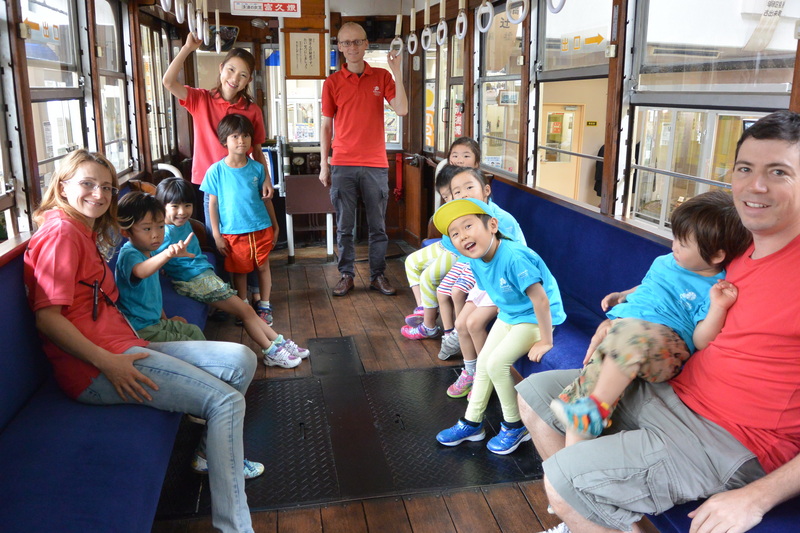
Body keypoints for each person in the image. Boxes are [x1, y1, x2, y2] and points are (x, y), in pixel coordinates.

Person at [516, 110, 800, 533]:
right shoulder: (737, 247)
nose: (756, 185)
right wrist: (624, 323)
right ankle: (590, 516)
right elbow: (674, 285)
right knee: (535, 394)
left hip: (733, 439)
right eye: (746, 168)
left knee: (563, 480)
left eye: (778, 172)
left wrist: (757, 497)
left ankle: (581, 503)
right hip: (672, 392)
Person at [23, 149, 262, 533]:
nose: (98, 195)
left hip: (126, 345)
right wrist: (108, 362)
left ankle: (207, 454)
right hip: (96, 368)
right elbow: (48, 320)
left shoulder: (82, 229)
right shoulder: (60, 234)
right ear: (63, 185)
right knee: (226, 400)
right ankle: (235, 526)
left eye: (105, 187)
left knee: (240, 358)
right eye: (87, 184)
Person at [549, 190, 751, 446]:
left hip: (664, 346)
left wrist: (719, 308)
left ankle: (596, 408)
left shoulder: (713, 287)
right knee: (585, 393)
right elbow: (650, 286)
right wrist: (622, 295)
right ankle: (574, 453)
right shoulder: (667, 261)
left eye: (683, 243)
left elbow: (701, 340)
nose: (674, 245)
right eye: (676, 237)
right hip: (625, 333)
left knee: (626, 338)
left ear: (716, 256)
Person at [434, 198, 565, 455]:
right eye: (455, 233)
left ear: (492, 225)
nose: (463, 236)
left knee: (496, 364)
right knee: (484, 361)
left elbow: (541, 300)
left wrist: (546, 340)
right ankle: (472, 422)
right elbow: (492, 292)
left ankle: (515, 426)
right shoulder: (476, 259)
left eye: (468, 226)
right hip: (510, 314)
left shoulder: (514, 257)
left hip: (534, 317)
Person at [163, 34, 277, 304]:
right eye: (231, 69)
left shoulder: (251, 110)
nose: (234, 78)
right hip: (210, 186)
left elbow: (257, 150)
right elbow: (168, 82)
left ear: (249, 80)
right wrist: (188, 48)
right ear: (221, 69)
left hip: (245, 184)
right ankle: (229, 298)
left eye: (243, 75)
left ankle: (254, 297)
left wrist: (267, 179)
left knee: (249, 238)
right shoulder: (200, 99)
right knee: (223, 244)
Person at [155, 177, 309, 369]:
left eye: (187, 205)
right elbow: (153, 259)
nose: (182, 212)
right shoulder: (164, 233)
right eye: (175, 206)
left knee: (247, 310)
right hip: (193, 281)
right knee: (245, 311)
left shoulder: (182, 223)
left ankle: (279, 342)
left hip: (204, 274)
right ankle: (271, 351)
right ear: (161, 206)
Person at [319, 21, 408, 297]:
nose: (352, 47)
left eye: (357, 41)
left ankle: (377, 275)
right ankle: (346, 275)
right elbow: (325, 126)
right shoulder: (332, 83)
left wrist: (397, 72)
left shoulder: (382, 77)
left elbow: (402, 109)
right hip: (342, 163)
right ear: (339, 47)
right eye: (346, 43)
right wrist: (325, 162)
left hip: (375, 164)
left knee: (378, 227)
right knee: (344, 226)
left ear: (367, 44)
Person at [433, 169, 527, 402]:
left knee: (473, 323)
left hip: (507, 283)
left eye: (469, 188)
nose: (463, 194)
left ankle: (486, 377)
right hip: (484, 280)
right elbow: (459, 248)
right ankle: (471, 371)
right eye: (456, 192)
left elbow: (518, 255)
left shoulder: (501, 219)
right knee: (461, 323)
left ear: (486, 191)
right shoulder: (464, 219)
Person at [403, 137, 481, 340]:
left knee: (428, 276)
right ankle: (423, 307)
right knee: (411, 262)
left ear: (476, 162)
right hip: (446, 242)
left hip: (460, 250)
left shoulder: (476, 188)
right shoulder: (448, 178)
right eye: (455, 155)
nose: (459, 160)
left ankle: (428, 325)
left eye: (466, 156)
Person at [201, 114, 276, 325]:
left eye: (245, 136)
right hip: (232, 231)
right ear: (224, 140)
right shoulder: (215, 171)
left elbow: (267, 200)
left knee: (263, 267)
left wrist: (276, 225)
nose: (241, 141)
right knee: (239, 271)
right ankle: (243, 308)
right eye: (235, 136)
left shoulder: (258, 169)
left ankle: (264, 306)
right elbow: (212, 205)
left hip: (261, 227)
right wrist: (216, 234)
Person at [115, 191, 205, 342]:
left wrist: (166, 319)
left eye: (161, 226)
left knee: (193, 331)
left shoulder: (148, 252)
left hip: (155, 322)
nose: (156, 234)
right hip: (140, 329)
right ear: (125, 231)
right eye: (147, 229)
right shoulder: (129, 254)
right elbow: (141, 271)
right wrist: (167, 254)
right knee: (190, 345)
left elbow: (153, 294)